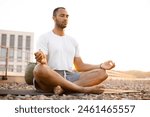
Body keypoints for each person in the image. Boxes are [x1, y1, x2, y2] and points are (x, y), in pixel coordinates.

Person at [33, 7, 115, 95]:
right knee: (39, 68)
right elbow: (43, 62)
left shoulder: (72, 41)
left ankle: (63, 89)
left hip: (70, 76)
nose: (65, 18)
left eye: (67, 16)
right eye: (62, 16)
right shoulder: (44, 37)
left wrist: (101, 65)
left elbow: (80, 66)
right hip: (52, 76)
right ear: (54, 18)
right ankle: (83, 89)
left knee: (102, 73)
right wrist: (42, 60)